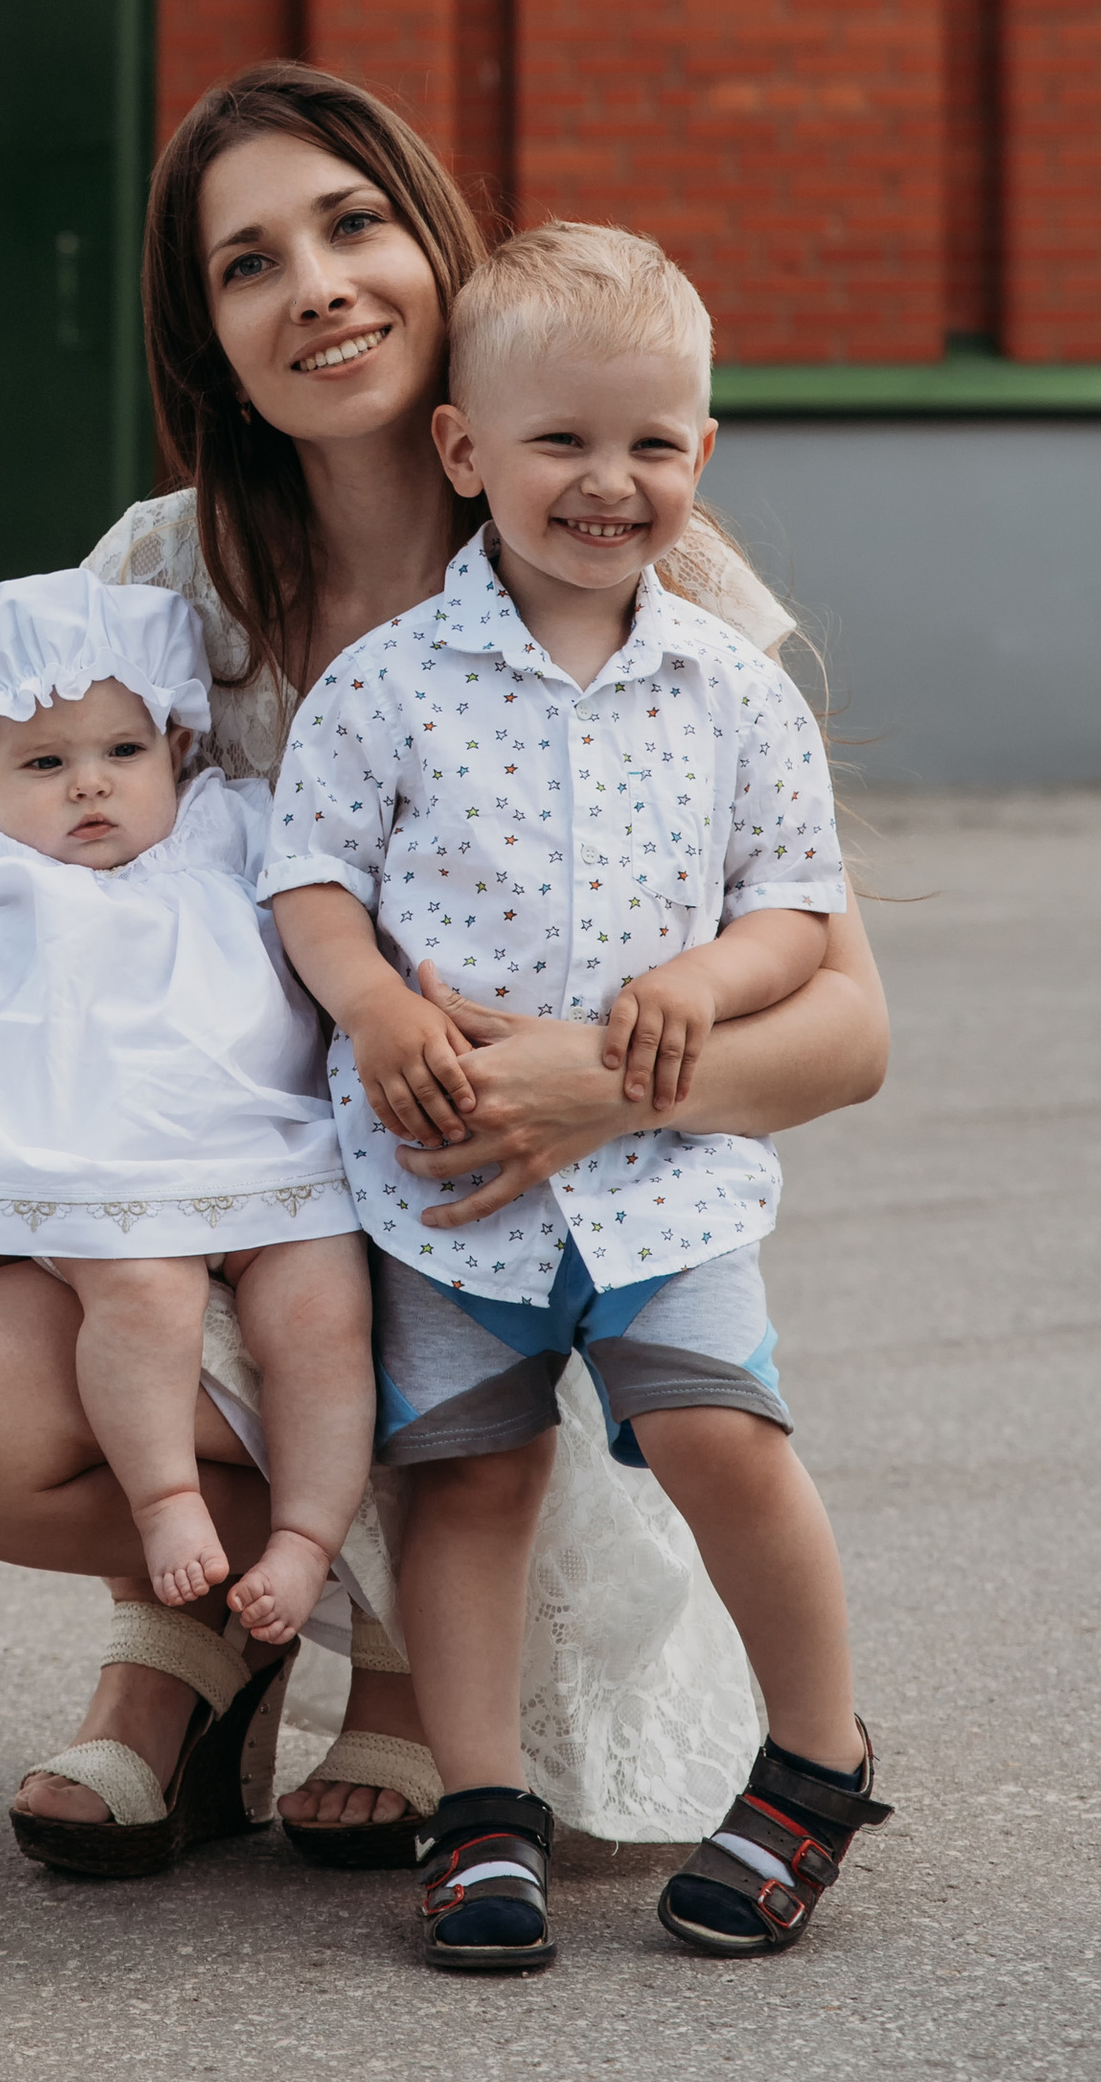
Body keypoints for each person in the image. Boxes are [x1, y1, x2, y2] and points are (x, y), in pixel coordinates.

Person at [0, 63, 890, 1875]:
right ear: (208, 334)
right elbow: (34, 857)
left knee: (460, 1352)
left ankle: (367, 1645)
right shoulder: (158, 577)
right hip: (232, 1192)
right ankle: (200, 1616)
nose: (319, 287)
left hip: (486, 1218)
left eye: (355, 224)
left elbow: (845, 1029)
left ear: (440, 252)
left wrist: (590, 1083)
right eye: (248, 263)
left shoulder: (618, 551)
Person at [266, 219, 891, 1970]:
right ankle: (480, 1806)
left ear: (703, 451)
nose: (607, 482)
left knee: (724, 1441)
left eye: (651, 442)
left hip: (662, 1175)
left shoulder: (732, 694)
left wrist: (704, 981)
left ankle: (818, 1763)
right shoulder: (386, 685)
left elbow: (791, 899)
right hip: (451, 1182)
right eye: (560, 441)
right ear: (465, 451)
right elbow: (308, 871)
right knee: (463, 1483)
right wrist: (375, 999)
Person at [0, 571, 373, 1873]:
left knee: (322, 1320)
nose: (89, 785)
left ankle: (307, 1537)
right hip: (108, 1164)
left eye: (123, 751)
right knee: (141, 1302)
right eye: (43, 761)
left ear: (180, 747)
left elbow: (328, 907)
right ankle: (167, 1505)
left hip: (272, 1151)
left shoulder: (228, 826)